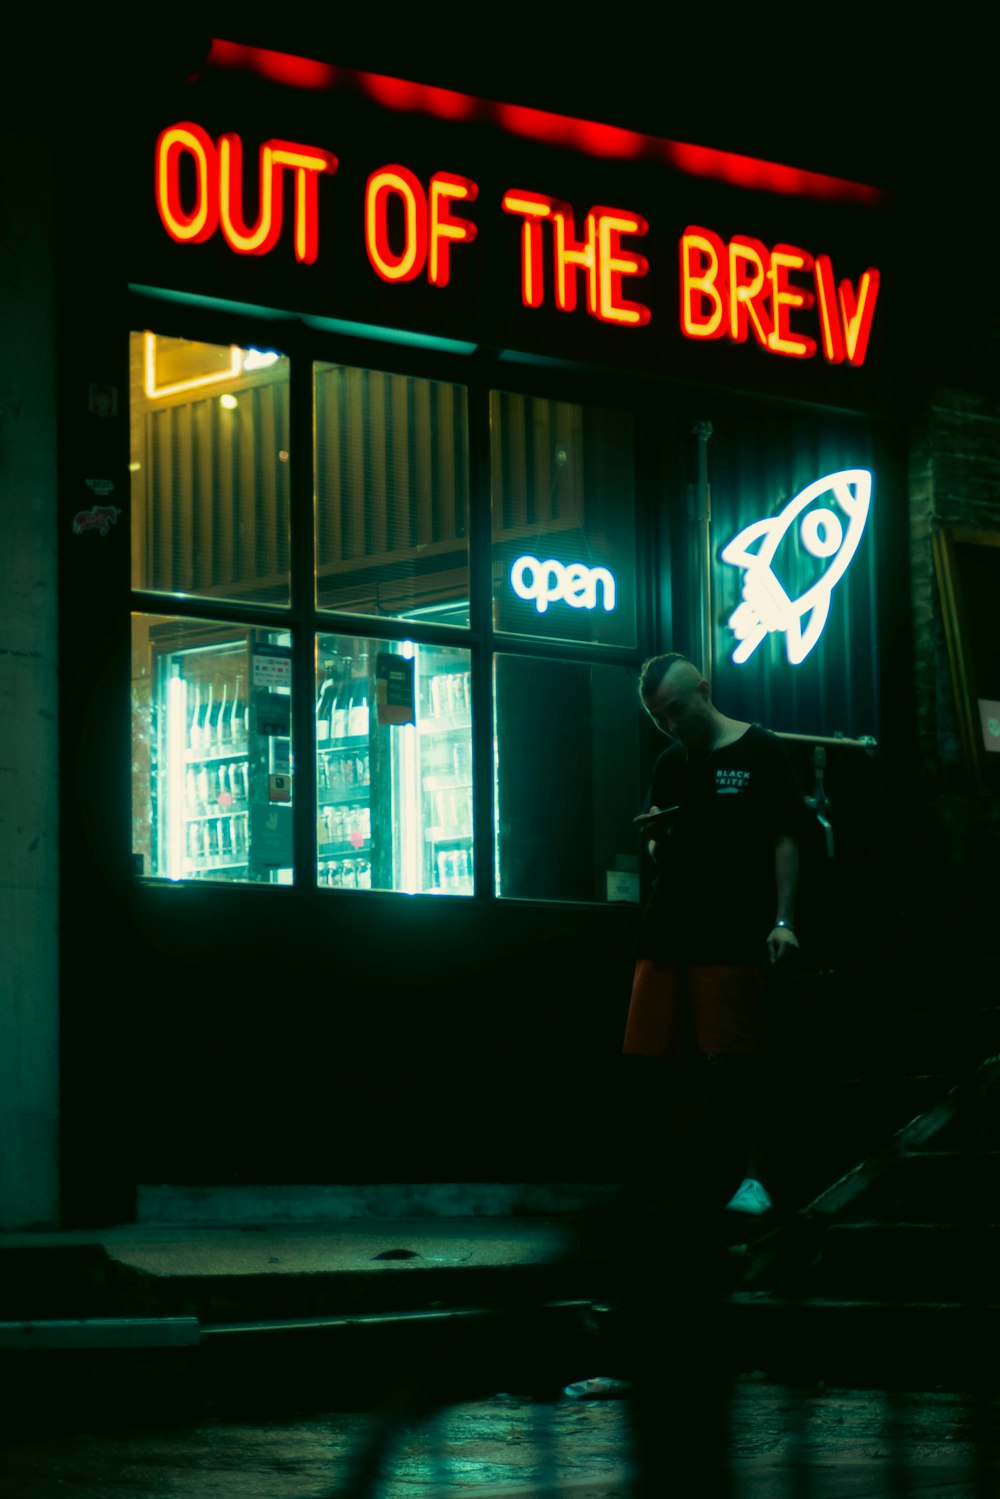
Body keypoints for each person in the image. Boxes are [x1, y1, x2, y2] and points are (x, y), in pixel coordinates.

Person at [622, 652, 804, 1218]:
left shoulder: (760, 751)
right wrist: (657, 838)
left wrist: (783, 920)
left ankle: (753, 1178)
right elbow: (655, 846)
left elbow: (785, 838)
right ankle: (682, 1178)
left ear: (703, 689)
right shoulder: (671, 764)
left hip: (730, 929)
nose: (671, 725)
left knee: (734, 1056)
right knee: (651, 1056)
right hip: (668, 928)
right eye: (658, 718)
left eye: (676, 710)